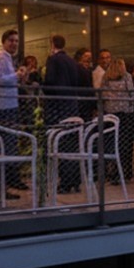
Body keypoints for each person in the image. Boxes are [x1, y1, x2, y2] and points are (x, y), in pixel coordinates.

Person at [0, 27, 25, 195]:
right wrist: (16, 76)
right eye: (11, 40)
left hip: (10, 105)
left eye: (17, 41)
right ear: (3, 41)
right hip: (2, 107)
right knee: (3, 147)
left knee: (9, 147)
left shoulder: (9, 58)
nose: (14, 44)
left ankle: (4, 186)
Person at [44, 35, 81, 193]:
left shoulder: (53, 60)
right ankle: (74, 180)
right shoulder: (72, 62)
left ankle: (64, 181)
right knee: (71, 144)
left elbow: (50, 82)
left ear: (52, 44)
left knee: (58, 143)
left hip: (57, 106)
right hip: (71, 105)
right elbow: (76, 81)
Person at [102, 57, 134, 178]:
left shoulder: (106, 77)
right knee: (125, 142)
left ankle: (113, 172)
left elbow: (103, 94)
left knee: (112, 141)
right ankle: (125, 171)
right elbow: (131, 92)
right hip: (125, 113)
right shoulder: (127, 76)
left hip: (110, 113)